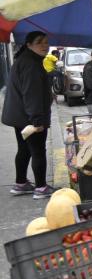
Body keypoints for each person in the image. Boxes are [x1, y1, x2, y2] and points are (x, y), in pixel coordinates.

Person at [2, 31, 56, 199]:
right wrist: (37, 121)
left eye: (46, 42)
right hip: (29, 118)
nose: (44, 45)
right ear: (29, 45)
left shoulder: (24, 60)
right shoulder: (31, 63)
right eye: (39, 42)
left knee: (24, 149)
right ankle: (41, 187)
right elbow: (31, 94)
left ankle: (20, 184)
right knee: (38, 150)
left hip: (20, 117)